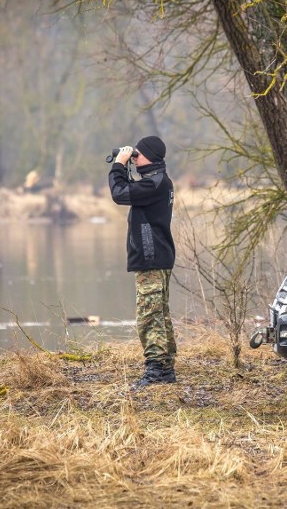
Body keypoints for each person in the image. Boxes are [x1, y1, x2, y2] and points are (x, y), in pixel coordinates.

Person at [108, 136, 177, 388]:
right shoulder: (157, 181)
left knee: (149, 316)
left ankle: (157, 370)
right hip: (157, 256)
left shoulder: (155, 184)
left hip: (151, 258)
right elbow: (130, 192)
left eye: (138, 154)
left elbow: (119, 193)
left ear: (150, 156)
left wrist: (118, 165)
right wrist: (126, 166)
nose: (135, 157)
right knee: (159, 313)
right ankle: (165, 369)